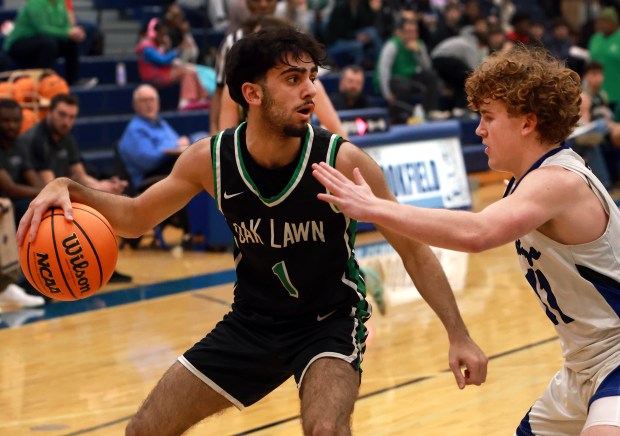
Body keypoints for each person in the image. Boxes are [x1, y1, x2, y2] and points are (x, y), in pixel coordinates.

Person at [17, 27, 487, 435]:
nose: (309, 92)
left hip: (327, 324)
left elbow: (413, 250)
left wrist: (458, 334)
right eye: (292, 79)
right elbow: (137, 218)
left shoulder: (342, 161)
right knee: (144, 430)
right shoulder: (210, 160)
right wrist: (67, 187)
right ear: (252, 93)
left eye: (311, 79)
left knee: (325, 428)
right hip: (252, 323)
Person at [312, 46, 620, 435]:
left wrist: (374, 208)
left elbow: (478, 234)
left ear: (528, 122)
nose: (479, 130)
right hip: (582, 365)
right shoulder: (525, 182)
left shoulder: (558, 181)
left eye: (489, 118)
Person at [17, 93, 133, 283]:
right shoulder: (37, 139)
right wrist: (88, 193)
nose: (66, 121)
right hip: (36, 195)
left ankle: (103, 263)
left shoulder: (66, 138)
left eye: (71, 117)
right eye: (62, 115)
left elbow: (80, 175)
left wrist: (102, 188)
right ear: (49, 113)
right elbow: (49, 185)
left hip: (59, 190)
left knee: (106, 202)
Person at [375, 19, 447, 123]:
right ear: (401, 33)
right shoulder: (393, 45)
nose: (412, 35)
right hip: (394, 78)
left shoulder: (419, 44)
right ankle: (398, 117)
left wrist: (418, 53)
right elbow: (383, 69)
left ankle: (431, 111)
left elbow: (427, 67)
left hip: (409, 77)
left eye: (414, 32)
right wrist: (387, 93)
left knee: (431, 76)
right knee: (404, 86)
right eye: (408, 32)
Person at [3, 0, 85, 86]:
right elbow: (42, 28)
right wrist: (67, 33)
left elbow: (65, 24)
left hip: (46, 41)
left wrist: (74, 32)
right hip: (19, 43)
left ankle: (73, 81)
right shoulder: (35, 2)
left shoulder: (61, 2)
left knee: (71, 42)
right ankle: (42, 81)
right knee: (49, 44)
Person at [136, 18, 210, 111]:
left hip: (163, 72)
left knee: (191, 71)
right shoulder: (147, 48)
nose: (163, 37)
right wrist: (179, 49)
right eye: (162, 34)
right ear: (155, 33)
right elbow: (163, 60)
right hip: (155, 77)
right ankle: (185, 101)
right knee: (187, 72)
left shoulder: (157, 44)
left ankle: (201, 99)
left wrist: (166, 47)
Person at [0, 99, 44, 222]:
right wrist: (44, 191)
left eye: (16, 120)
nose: (11, 126)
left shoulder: (19, 145)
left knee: (39, 205)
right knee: (24, 207)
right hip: (5, 200)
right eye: (6, 121)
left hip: (13, 200)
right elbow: (10, 189)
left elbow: (32, 178)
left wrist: (47, 194)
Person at [589, 7, 620, 105]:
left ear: (614, 23)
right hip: (598, 94)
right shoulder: (595, 38)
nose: (602, 24)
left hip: (617, 93)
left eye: (606, 21)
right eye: (600, 21)